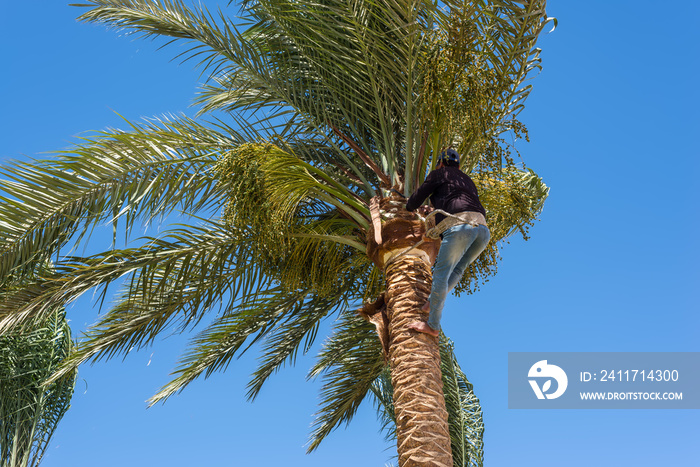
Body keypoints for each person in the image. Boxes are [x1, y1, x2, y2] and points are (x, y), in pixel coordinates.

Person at [405, 149, 490, 337]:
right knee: (458, 269)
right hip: (482, 231)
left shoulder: (439, 173)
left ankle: (433, 326)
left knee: (440, 275)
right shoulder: (466, 180)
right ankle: (431, 303)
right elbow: (455, 202)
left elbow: (418, 197)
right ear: (458, 166)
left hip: (460, 227)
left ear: (441, 164)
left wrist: (408, 206)